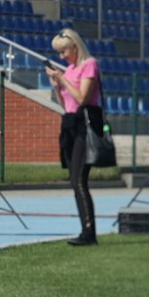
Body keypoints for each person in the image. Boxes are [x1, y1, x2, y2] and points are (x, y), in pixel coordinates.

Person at [45, 28, 102, 246]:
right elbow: (66, 104)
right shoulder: (68, 70)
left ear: (75, 47)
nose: (62, 57)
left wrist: (64, 80)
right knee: (74, 180)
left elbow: (83, 98)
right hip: (70, 124)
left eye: (64, 51)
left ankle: (89, 232)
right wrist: (57, 86)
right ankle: (85, 230)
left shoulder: (89, 65)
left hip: (85, 126)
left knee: (79, 179)